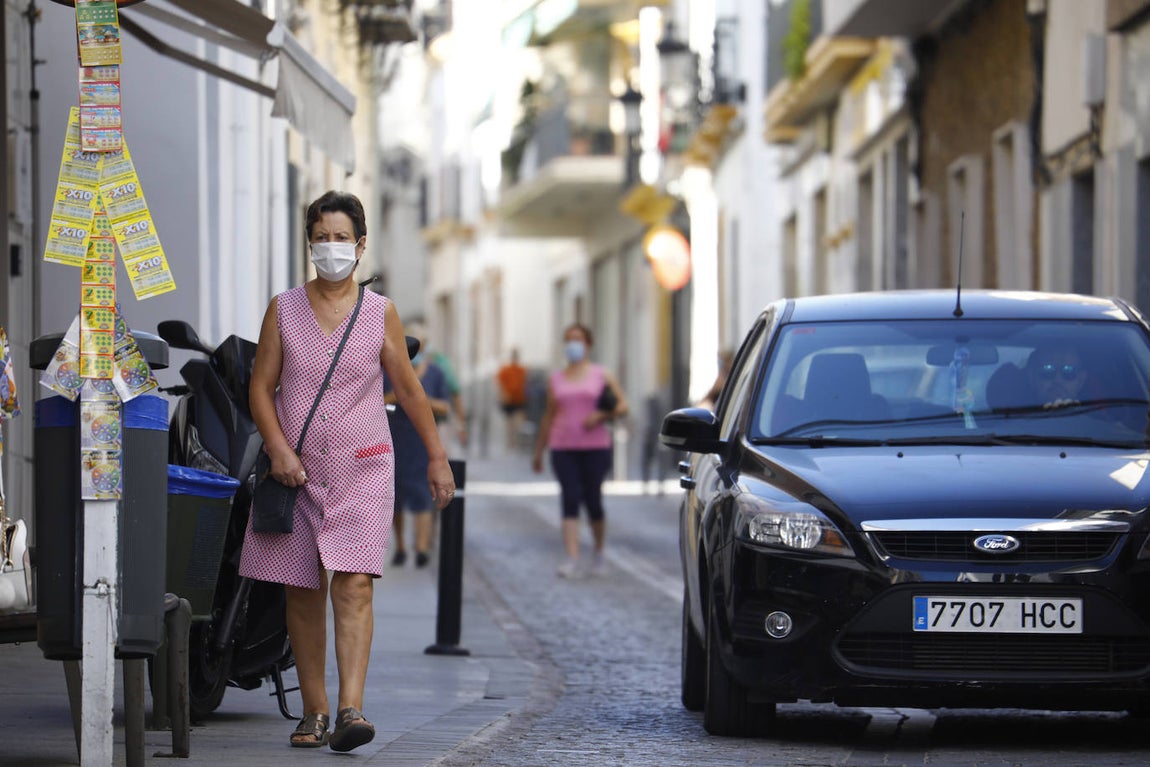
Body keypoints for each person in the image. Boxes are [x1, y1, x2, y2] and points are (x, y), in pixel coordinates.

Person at [239, 190, 455, 752]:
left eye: (341, 238)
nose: (330, 247)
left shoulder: (380, 312)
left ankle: (349, 709)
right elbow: (261, 388)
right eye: (321, 237)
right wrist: (278, 449)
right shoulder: (284, 309)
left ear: (360, 246)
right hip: (296, 472)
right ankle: (313, 710)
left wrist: (436, 456)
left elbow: (409, 390)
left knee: (355, 584)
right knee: (303, 589)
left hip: (364, 467)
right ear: (309, 243)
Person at [531, 323, 628, 578]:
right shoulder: (556, 379)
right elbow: (548, 416)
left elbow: (622, 405)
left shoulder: (601, 374)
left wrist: (601, 414)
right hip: (563, 447)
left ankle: (599, 551)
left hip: (596, 447)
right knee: (570, 497)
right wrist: (539, 451)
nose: (573, 344)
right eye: (569, 340)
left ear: (588, 344)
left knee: (593, 501)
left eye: (578, 339)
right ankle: (572, 558)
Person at [385, 331, 452, 568]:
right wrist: (400, 395)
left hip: (421, 442)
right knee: (396, 498)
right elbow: (377, 400)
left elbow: (445, 406)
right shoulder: (389, 369)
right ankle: (401, 546)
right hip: (394, 439)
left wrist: (419, 399)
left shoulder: (436, 373)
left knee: (423, 494)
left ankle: (421, 548)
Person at [1025, 343, 1089, 409]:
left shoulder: (1094, 412)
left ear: (1081, 380)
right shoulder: (1019, 410)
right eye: (1048, 371)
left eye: (1068, 371)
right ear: (1031, 377)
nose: (1058, 380)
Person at [496, 348, 528, 449]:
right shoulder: (505, 370)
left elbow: (525, 384)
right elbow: (500, 385)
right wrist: (503, 396)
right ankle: (510, 442)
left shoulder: (522, 370)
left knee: (518, 422)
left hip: (519, 400)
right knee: (509, 423)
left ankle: (516, 442)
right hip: (508, 401)